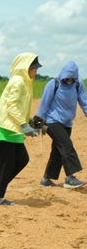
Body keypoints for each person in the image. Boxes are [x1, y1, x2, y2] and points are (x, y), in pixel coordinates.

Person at [0, 53, 41, 206]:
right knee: (6, 164)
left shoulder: (25, 83)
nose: (36, 71)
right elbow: (11, 106)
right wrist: (24, 125)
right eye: (34, 68)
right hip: (5, 129)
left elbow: (19, 107)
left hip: (13, 130)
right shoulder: (18, 82)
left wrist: (29, 121)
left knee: (22, 159)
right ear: (26, 68)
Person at [35, 61, 86, 189]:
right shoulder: (53, 84)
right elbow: (44, 104)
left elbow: (84, 102)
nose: (69, 80)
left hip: (67, 122)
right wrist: (38, 122)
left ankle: (46, 179)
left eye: (72, 78)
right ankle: (70, 178)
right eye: (67, 77)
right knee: (66, 145)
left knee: (58, 150)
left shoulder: (78, 84)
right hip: (52, 121)